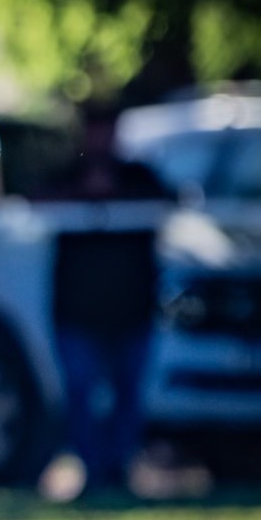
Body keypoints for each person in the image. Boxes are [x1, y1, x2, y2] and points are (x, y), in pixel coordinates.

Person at [51, 104, 173, 493]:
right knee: (80, 396)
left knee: (129, 397)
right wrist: (80, 195)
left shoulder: (138, 175)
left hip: (133, 311)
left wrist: (115, 193)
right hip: (77, 311)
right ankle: (90, 471)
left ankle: (119, 471)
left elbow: (170, 201)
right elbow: (34, 200)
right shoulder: (64, 174)